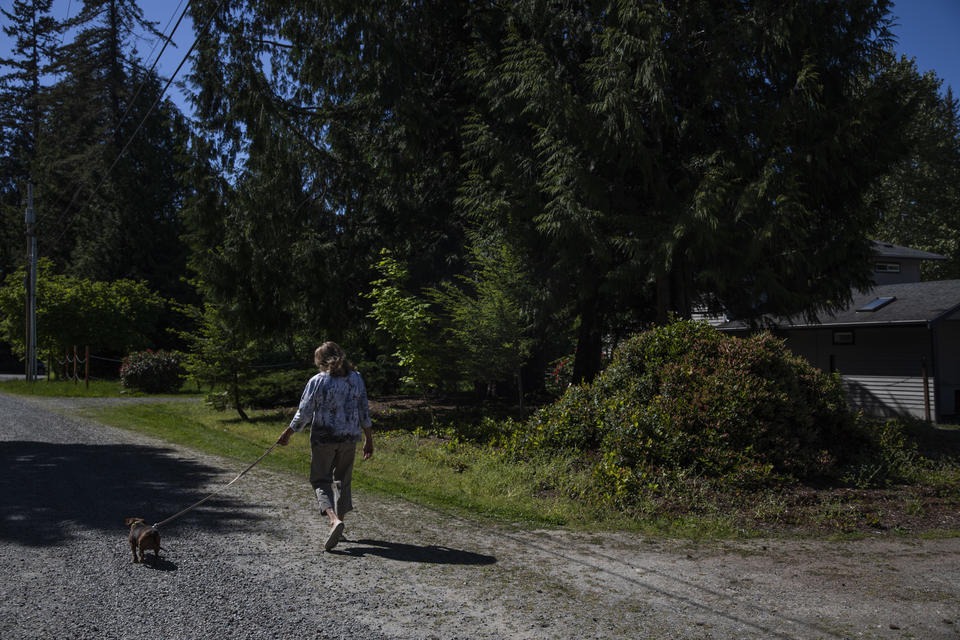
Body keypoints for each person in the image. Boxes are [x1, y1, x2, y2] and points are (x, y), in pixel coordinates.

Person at [277, 341, 374, 551]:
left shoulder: (318, 381)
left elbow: (304, 412)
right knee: (343, 480)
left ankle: (333, 521)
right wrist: (369, 438)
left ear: (321, 361)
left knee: (320, 479)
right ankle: (340, 522)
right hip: (349, 438)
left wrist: (288, 432)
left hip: (324, 439)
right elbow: (364, 409)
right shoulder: (356, 379)